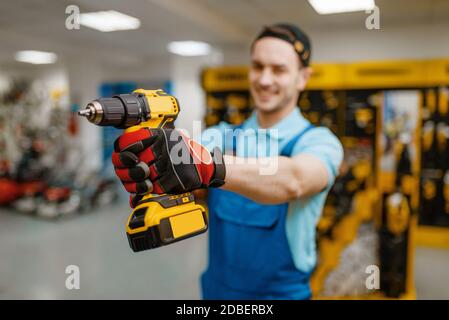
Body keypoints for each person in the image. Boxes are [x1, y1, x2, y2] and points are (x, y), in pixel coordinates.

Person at [112, 23, 343, 300]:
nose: (265, 79)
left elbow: (295, 180)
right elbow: (187, 176)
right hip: (218, 292)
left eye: (279, 69)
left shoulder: (319, 141)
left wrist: (210, 167)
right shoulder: (218, 136)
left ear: (303, 77)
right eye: (258, 66)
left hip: (281, 295)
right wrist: (151, 167)